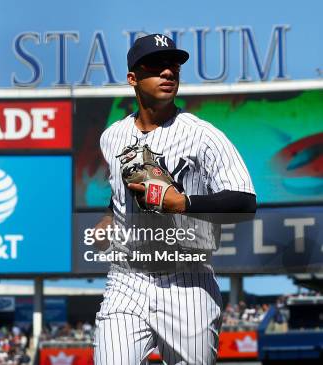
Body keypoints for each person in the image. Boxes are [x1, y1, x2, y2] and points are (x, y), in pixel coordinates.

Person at [93, 33, 256, 365]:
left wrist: (184, 204)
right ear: (133, 78)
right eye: (156, 66)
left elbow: (245, 201)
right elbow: (120, 195)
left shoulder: (204, 136)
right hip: (127, 279)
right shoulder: (112, 137)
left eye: (174, 66)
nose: (168, 73)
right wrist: (109, 219)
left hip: (188, 280)